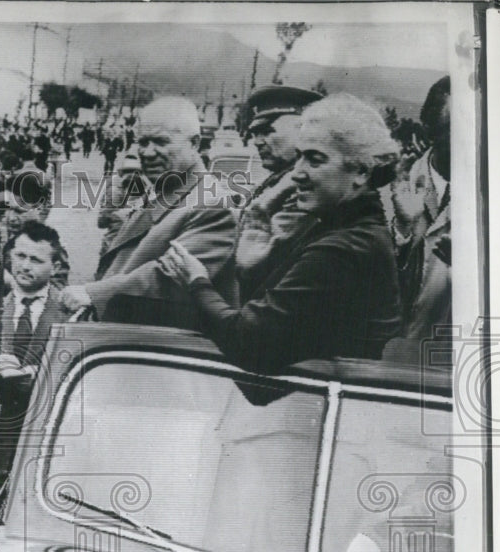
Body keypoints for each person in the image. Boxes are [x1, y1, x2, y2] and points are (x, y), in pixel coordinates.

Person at [157, 93, 403, 374]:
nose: (297, 173)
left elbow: (248, 342)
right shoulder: (343, 231)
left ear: (361, 171)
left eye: (315, 160)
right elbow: (278, 331)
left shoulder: (344, 246)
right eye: (299, 157)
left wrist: (197, 282)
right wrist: (250, 269)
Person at [60, 96, 237, 328]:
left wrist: (94, 293)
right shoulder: (165, 188)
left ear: (195, 143)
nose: (148, 153)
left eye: (161, 142)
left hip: (158, 344)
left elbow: (173, 276)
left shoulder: (212, 202)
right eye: (142, 143)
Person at [0, 221, 72, 489]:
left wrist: (44, 374)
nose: (25, 266)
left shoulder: (71, 317)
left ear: (55, 267)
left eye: (36, 259)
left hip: (46, 442)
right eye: (20, 256)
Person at [235, 85, 323, 302]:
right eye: (255, 133)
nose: (257, 142)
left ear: (303, 131)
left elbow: (256, 267)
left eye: (267, 131)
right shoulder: (277, 180)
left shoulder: (301, 189)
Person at [384, 75, 451, 348]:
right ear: (431, 131)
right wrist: (400, 228)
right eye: (459, 127)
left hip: (452, 366)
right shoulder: (393, 188)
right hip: (389, 358)